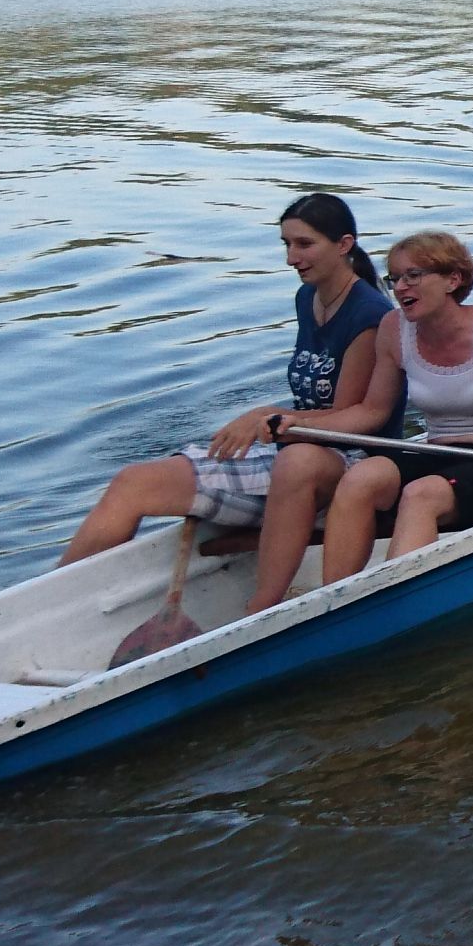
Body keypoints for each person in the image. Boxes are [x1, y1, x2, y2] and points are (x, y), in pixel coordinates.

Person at [57, 191, 396, 635]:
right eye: (286, 244)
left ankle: (260, 612)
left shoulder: (369, 314)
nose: (292, 257)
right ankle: (53, 599)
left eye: (304, 244)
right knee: (132, 482)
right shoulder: (307, 298)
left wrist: (268, 416)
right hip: (294, 441)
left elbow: (353, 418)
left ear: (344, 244)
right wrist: (273, 422)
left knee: (287, 463)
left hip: (345, 458)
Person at [302, 230, 473, 581]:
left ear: (453, 280)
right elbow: (372, 412)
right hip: (440, 455)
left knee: (421, 494)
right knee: (360, 478)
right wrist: (301, 428)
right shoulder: (393, 328)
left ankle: (398, 600)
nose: (401, 287)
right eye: (395, 278)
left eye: (413, 276)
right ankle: (336, 604)